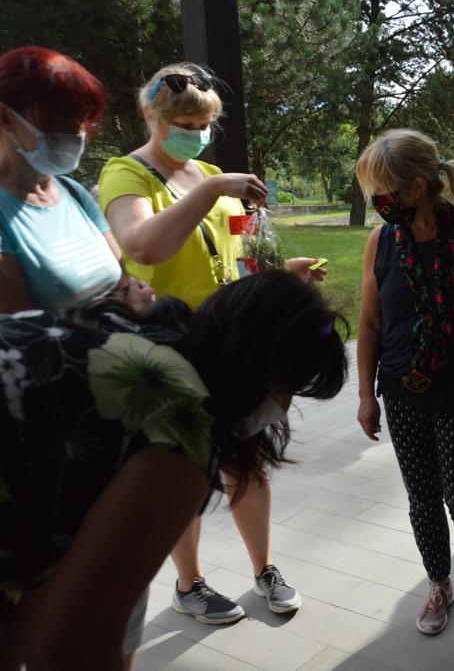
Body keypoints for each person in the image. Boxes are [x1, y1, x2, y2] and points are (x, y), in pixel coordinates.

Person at [0, 269, 348, 670]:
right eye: (290, 390)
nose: (284, 409)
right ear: (258, 370)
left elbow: (36, 567)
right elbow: (71, 648)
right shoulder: (181, 416)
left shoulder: (128, 333)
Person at [98, 63, 325, 624]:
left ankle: (264, 569)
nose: (197, 134)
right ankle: (189, 583)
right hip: (171, 349)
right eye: (184, 124)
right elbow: (142, 246)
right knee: (181, 476)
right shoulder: (127, 174)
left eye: (204, 125)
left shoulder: (209, 174)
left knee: (247, 463)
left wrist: (281, 274)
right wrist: (213, 190)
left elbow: (238, 260)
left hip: (231, 345)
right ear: (150, 114)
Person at [355, 129, 454, 649]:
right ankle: (439, 585)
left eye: (383, 191)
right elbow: (370, 324)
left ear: (417, 186)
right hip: (401, 390)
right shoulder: (382, 240)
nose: (378, 202)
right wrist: (365, 395)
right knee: (422, 497)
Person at [0, 46, 153, 315]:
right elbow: (21, 328)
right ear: (6, 118)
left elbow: (123, 284)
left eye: (84, 121)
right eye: (61, 122)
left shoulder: (73, 192)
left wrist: (125, 303)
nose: (78, 135)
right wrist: (122, 307)